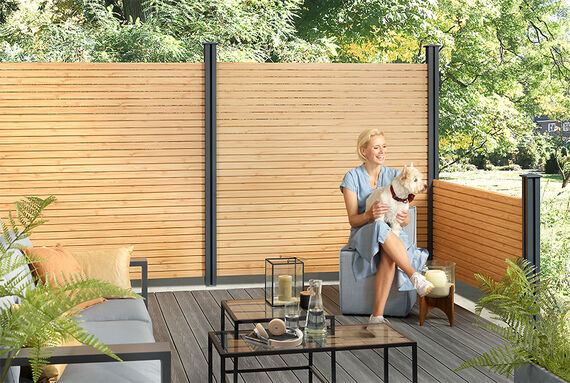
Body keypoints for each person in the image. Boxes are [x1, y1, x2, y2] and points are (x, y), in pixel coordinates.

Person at [340, 128, 434, 324]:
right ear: (363, 151)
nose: (382, 151)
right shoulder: (351, 178)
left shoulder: (396, 175)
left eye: (384, 146)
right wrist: (368, 214)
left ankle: (377, 316)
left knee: (388, 249)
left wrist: (405, 218)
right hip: (364, 232)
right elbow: (353, 220)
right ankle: (414, 276)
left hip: (392, 233)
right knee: (382, 229)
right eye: (376, 147)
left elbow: (405, 219)